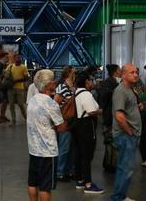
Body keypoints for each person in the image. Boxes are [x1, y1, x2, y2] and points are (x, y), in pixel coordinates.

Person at [26, 69, 67, 201]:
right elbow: (61, 127)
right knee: (45, 187)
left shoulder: (33, 100)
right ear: (48, 84)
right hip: (48, 151)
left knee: (33, 183)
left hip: (33, 149)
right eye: (53, 80)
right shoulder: (51, 103)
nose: (55, 82)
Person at [110, 63, 142, 201]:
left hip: (130, 135)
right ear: (123, 75)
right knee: (125, 168)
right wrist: (129, 132)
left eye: (136, 72)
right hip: (126, 135)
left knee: (127, 168)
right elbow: (119, 116)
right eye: (131, 72)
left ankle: (121, 196)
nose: (135, 74)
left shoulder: (130, 90)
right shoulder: (121, 91)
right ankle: (117, 197)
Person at [71, 73, 103, 194]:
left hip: (77, 126)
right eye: (91, 80)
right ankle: (88, 184)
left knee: (79, 154)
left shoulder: (76, 92)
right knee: (87, 156)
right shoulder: (86, 94)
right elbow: (91, 111)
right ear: (86, 82)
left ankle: (80, 180)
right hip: (86, 126)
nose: (92, 82)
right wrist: (102, 111)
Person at [53, 65, 75, 182]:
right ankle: (60, 172)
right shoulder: (62, 87)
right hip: (64, 121)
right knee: (64, 148)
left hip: (72, 121)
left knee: (71, 148)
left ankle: (68, 170)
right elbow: (55, 103)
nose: (75, 75)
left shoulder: (72, 87)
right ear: (69, 74)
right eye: (73, 73)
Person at [133, 74, 146, 169]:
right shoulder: (145, 93)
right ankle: (145, 159)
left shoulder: (143, 89)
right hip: (145, 117)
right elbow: (143, 105)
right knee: (145, 138)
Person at [7, 54, 29, 125]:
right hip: (11, 88)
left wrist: (15, 81)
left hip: (20, 88)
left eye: (19, 58)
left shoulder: (23, 67)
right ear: (14, 59)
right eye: (17, 58)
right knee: (11, 105)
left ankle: (26, 118)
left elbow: (26, 77)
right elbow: (6, 74)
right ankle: (13, 120)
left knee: (21, 104)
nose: (18, 59)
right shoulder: (10, 66)